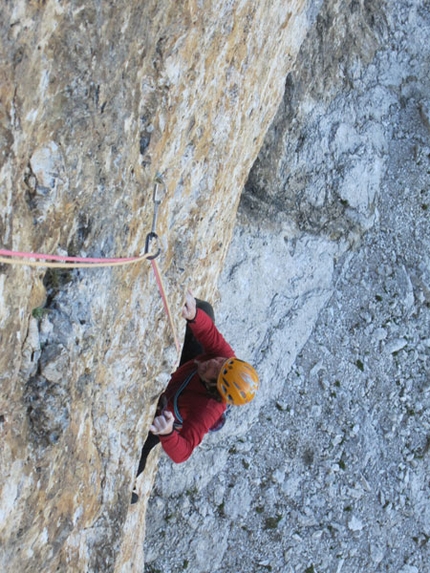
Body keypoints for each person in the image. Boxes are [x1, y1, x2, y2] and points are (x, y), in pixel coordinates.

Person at [131, 289, 259, 503]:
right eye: (221, 363)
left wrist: (168, 432)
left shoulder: (207, 409)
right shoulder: (225, 360)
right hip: (187, 370)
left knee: (140, 452)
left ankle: (127, 487)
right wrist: (194, 316)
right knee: (204, 310)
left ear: (213, 388)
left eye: (216, 371)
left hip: (168, 411)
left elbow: (183, 453)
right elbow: (211, 335)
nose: (215, 362)